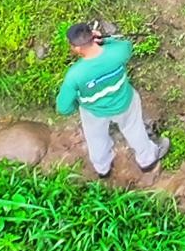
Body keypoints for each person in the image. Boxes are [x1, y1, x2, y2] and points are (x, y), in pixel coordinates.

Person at [55, 18, 165, 180]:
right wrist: (105, 41)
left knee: (96, 138)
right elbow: (127, 46)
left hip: (94, 111)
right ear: (93, 36)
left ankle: (103, 168)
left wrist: (79, 104)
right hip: (124, 101)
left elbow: (63, 108)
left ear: (77, 48)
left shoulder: (74, 75)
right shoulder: (118, 52)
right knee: (134, 129)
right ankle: (147, 161)